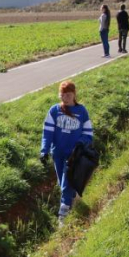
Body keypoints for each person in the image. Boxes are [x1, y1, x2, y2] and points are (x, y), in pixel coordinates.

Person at [39, 80, 93, 227]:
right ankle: (73, 199)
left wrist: (80, 143)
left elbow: (88, 134)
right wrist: (44, 151)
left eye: (68, 95)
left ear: (74, 94)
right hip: (58, 154)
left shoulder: (82, 111)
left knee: (66, 183)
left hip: (74, 156)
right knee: (61, 182)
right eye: (63, 95)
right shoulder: (54, 111)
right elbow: (47, 132)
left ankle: (62, 216)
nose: (65, 98)